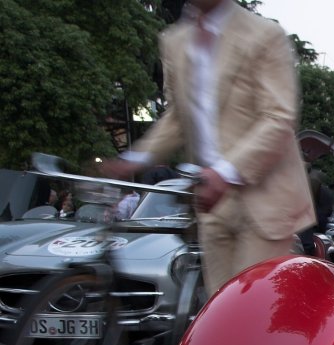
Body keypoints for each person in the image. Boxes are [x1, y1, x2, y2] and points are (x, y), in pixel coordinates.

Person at [100, 0, 313, 294]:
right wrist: (134, 158)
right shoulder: (174, 41)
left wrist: (224, 173)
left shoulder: (265, 34)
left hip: (265, 200)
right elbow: (176, 116)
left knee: (251, 311)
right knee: (217, 311)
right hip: (212, 204)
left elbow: (278, 118)